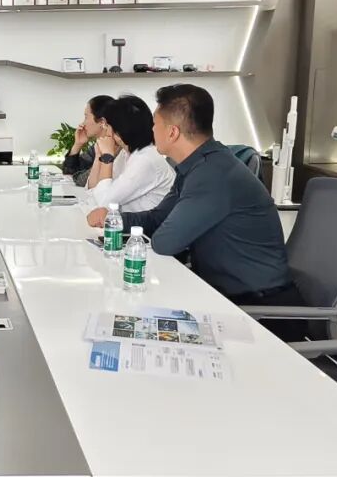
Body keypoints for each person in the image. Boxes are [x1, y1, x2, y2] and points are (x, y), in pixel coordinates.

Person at [85, 84, 304, 341]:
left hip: (260, 313)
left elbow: (165, 241)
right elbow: (158, 218)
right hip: (223, 295)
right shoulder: (197, 165)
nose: (151, 130)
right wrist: (113, 220)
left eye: (155, 124)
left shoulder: (213, 175)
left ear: (173, 132)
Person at [83, 95, 175, 212]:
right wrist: (99, 156)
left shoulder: (145, 160)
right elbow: (92, 191)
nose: (106, 130)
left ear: (120, 129)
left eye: (107, 125)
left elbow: (104, 203)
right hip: (128, 221)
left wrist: (107, 157)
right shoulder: (127, 154)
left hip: (150, 224)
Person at [63, 94, 114, 186]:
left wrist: (77, 174)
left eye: (86, 117)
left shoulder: (114, 147)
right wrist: (78, 144)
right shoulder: (97, 145)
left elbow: (81, 180)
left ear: (102, 122)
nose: (83, 123)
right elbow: (69, 172)